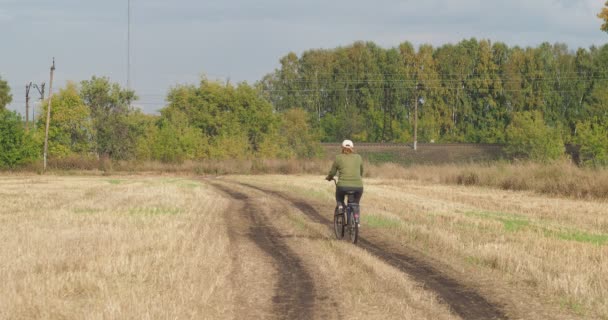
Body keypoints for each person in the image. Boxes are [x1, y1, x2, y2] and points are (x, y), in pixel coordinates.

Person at [325, 139, 363, 225]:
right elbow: (361, 172)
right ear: (353, 148)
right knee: (355, 204)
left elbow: (333, 172)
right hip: (358, 187)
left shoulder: (338, 157)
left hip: (343, 186)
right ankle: (356, 221)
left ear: (342, 148)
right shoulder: (358, 157)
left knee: (339, 197)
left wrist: (329, 177)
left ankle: (341, 207)